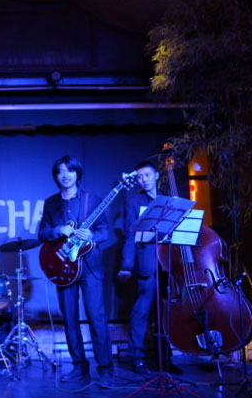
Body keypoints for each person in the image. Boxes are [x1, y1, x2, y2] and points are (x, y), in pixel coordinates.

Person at [38, 155, 113, 386]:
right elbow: (42, 233)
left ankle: (105, 369)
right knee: (70, 320)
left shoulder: (93, 199)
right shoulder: (50, 203)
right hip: (64, 267)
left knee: (97, 318)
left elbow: (105, 231)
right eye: (60, 171)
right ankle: (79, 367)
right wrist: (57, 230)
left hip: (90, 266)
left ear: (77, 174)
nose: (65, 175)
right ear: (55, 176)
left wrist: (92, 235)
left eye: (69, 170)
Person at [117, 161, 180, 374]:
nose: (143, 179)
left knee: (167, 312)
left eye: (147, 175)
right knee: (141, 311)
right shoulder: (134, 201)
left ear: (156, 176)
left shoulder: (169, 199)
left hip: (169, 264)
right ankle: (137, 356)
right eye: (139, 176)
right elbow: (129, 235)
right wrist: (126, 266)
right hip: (147, 263)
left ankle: (165, 359)